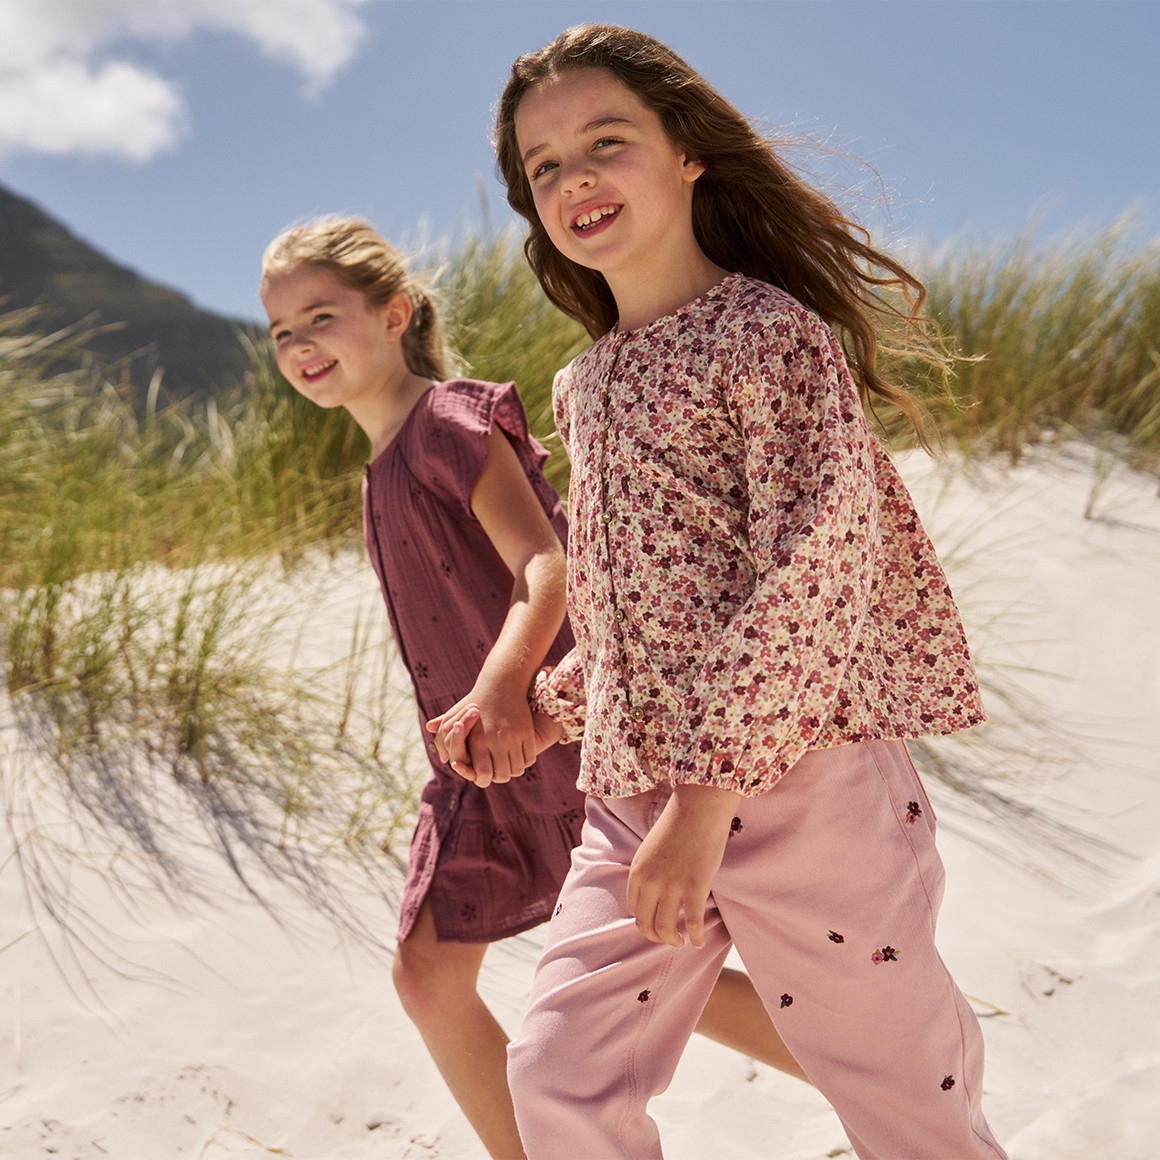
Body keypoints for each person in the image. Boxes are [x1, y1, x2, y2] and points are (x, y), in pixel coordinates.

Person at [448, 23, 1011, 1159]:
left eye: (606, 141)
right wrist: (542, 708)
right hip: (633, 797)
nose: (574, 179)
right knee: (557, 1074)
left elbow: (813, 569)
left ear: (688, 151)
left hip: (807, 790)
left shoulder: (765, 331)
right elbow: (632, 611)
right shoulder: (585, 382)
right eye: (544, 166)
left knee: (905, 1106)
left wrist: (705, 803)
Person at [260, 218, 806, 1160]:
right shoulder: (381, 464)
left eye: (321, 317)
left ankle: (882, 1055)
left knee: (663, 958)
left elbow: (547, 567)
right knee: (431, 977)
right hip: (482, 772)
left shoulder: (446, 423)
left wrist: (506, 690)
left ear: (394, 315)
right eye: (280, 332)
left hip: (551, 740)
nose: (301, 345)